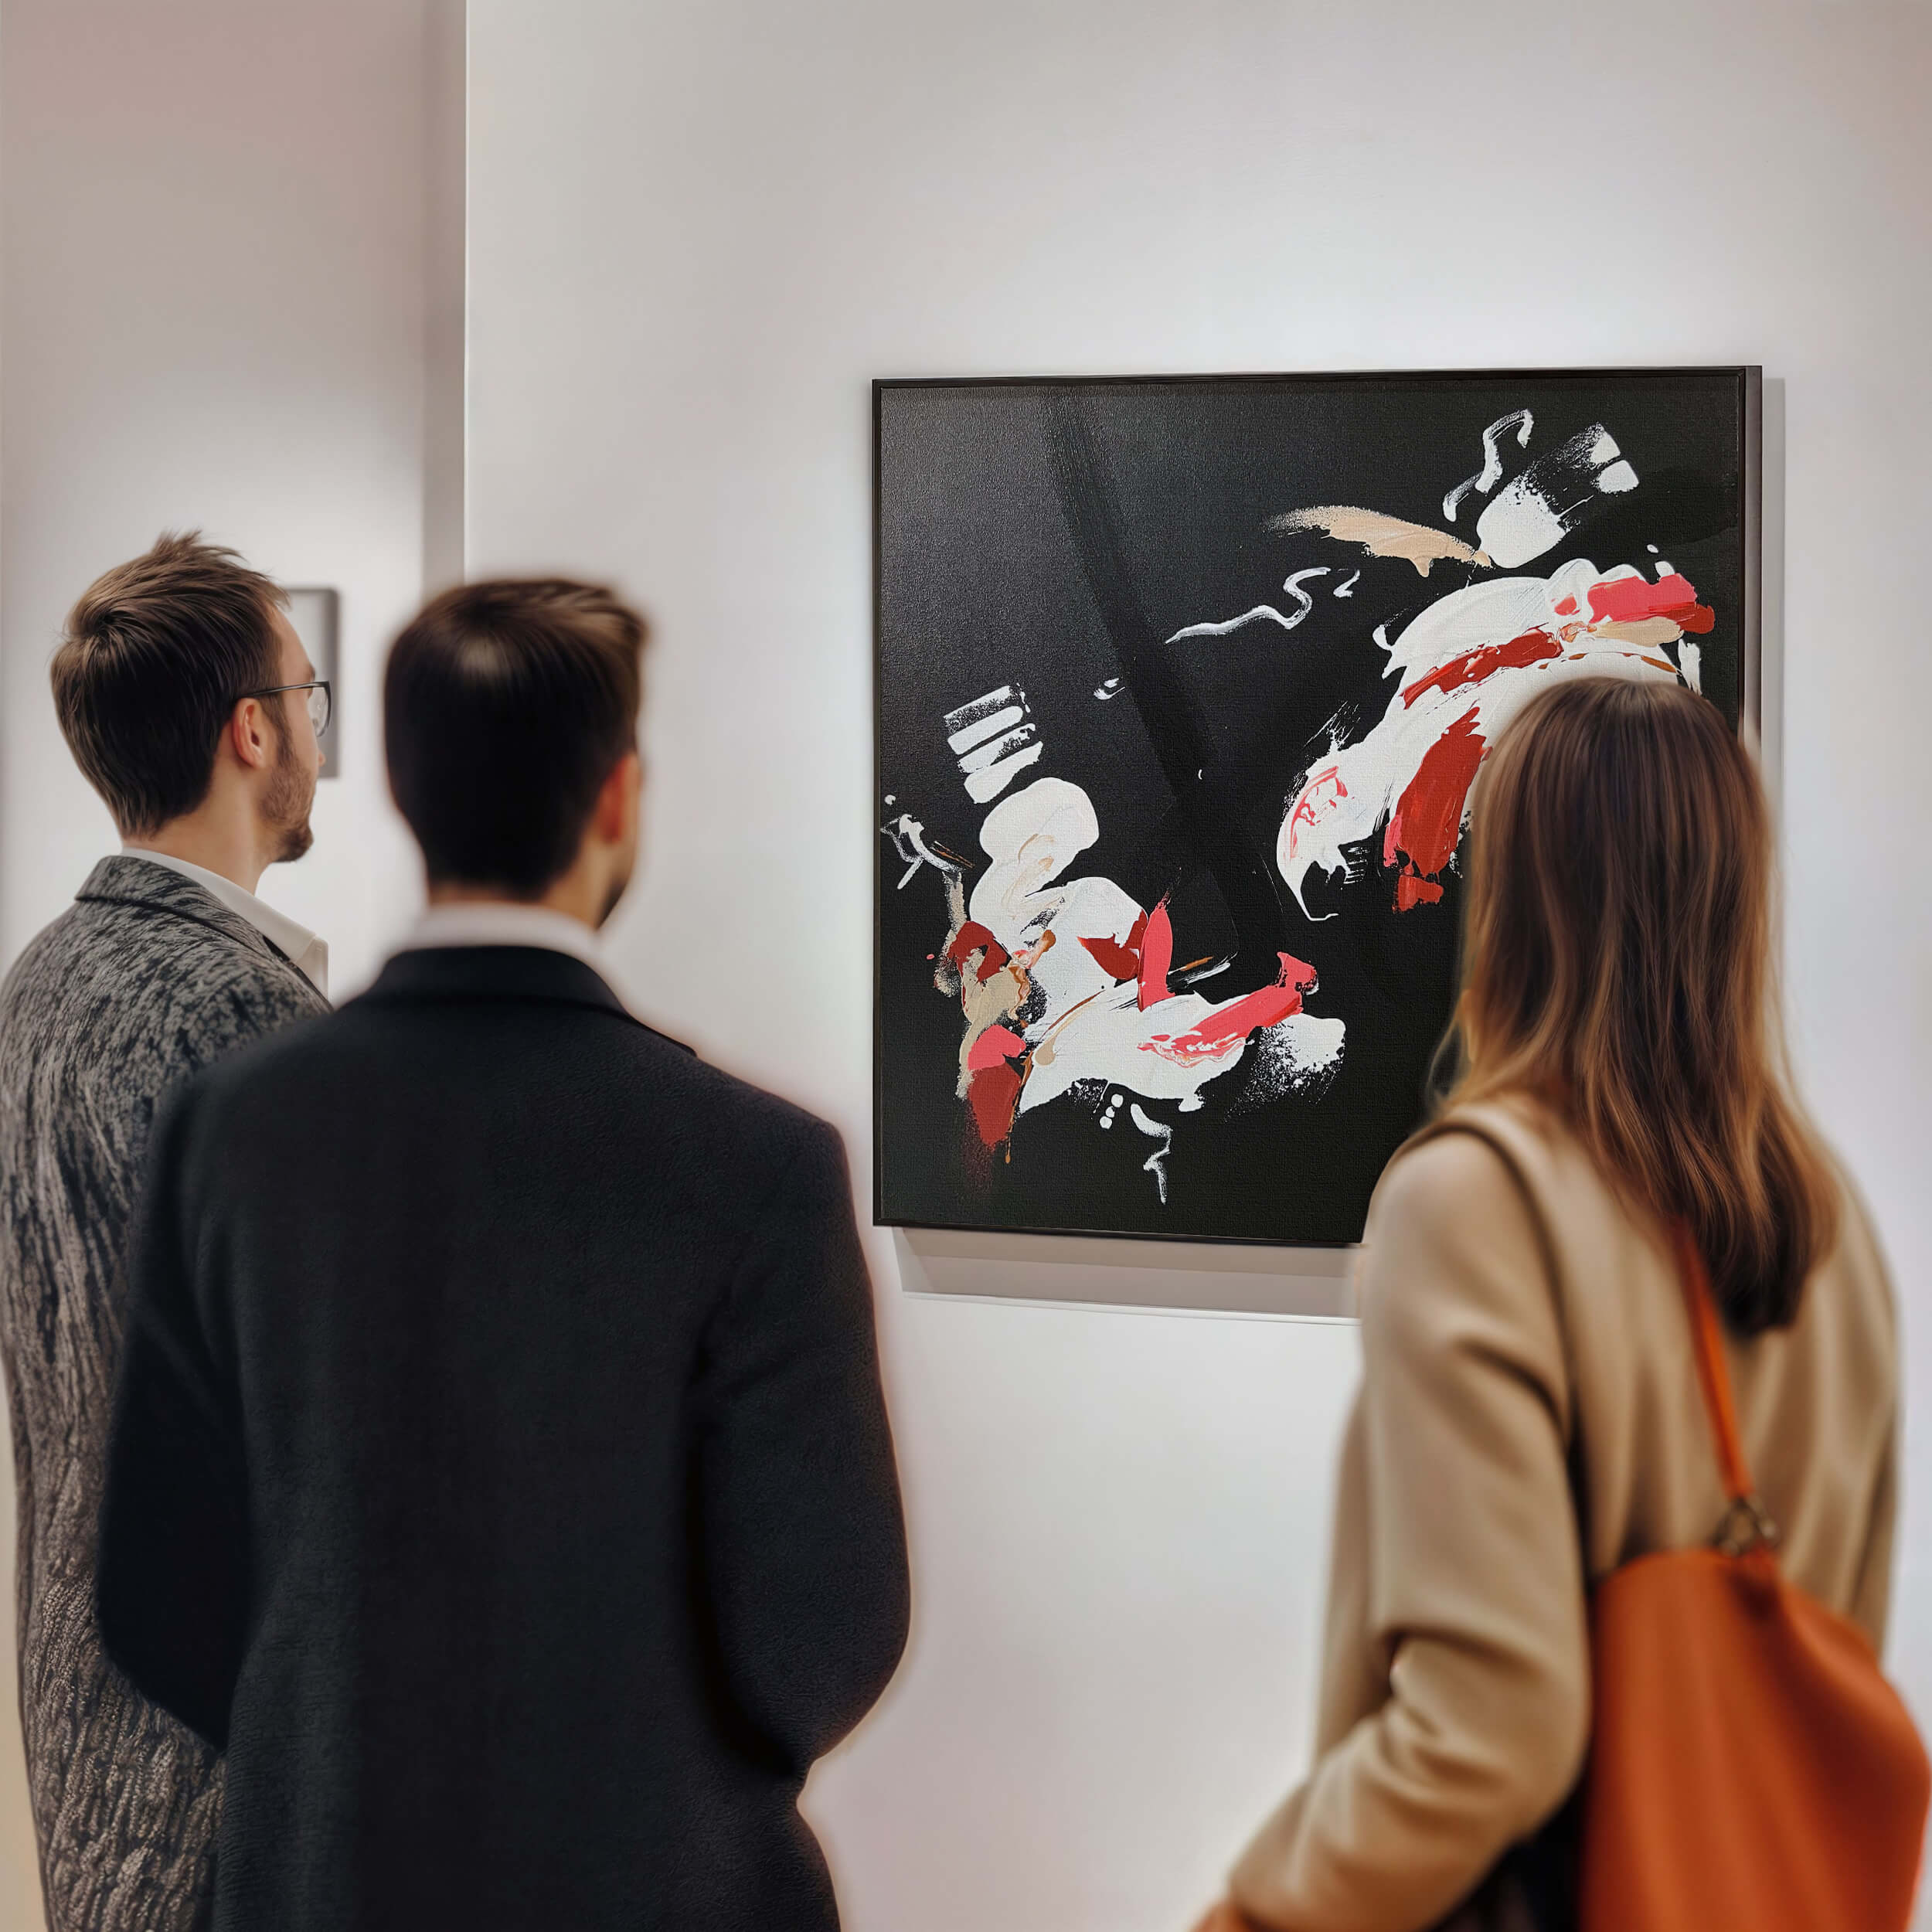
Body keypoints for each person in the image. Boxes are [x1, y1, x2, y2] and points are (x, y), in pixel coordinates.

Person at [97, 577, 910, 1932]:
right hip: (663, 1888)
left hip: (326, 1883)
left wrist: (330, 1756)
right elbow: (825, 1638)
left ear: (409, 798)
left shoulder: (235, 1132)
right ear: (615, 801)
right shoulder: (756, 1164)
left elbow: (158, 1590)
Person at [1194, 678, 1898, 1932]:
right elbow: (1827, 1661)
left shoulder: (1475, 1200)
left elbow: (1493, 1732)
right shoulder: (1828, 1222)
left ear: (1516, 893)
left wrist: (1261, 1911)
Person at [0, 532, 331, 1932]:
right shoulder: (244, 1023)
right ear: (251, 730)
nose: (314, 728)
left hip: (85, 1738)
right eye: (307, 696)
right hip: (224, 1776)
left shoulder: (40, 982)